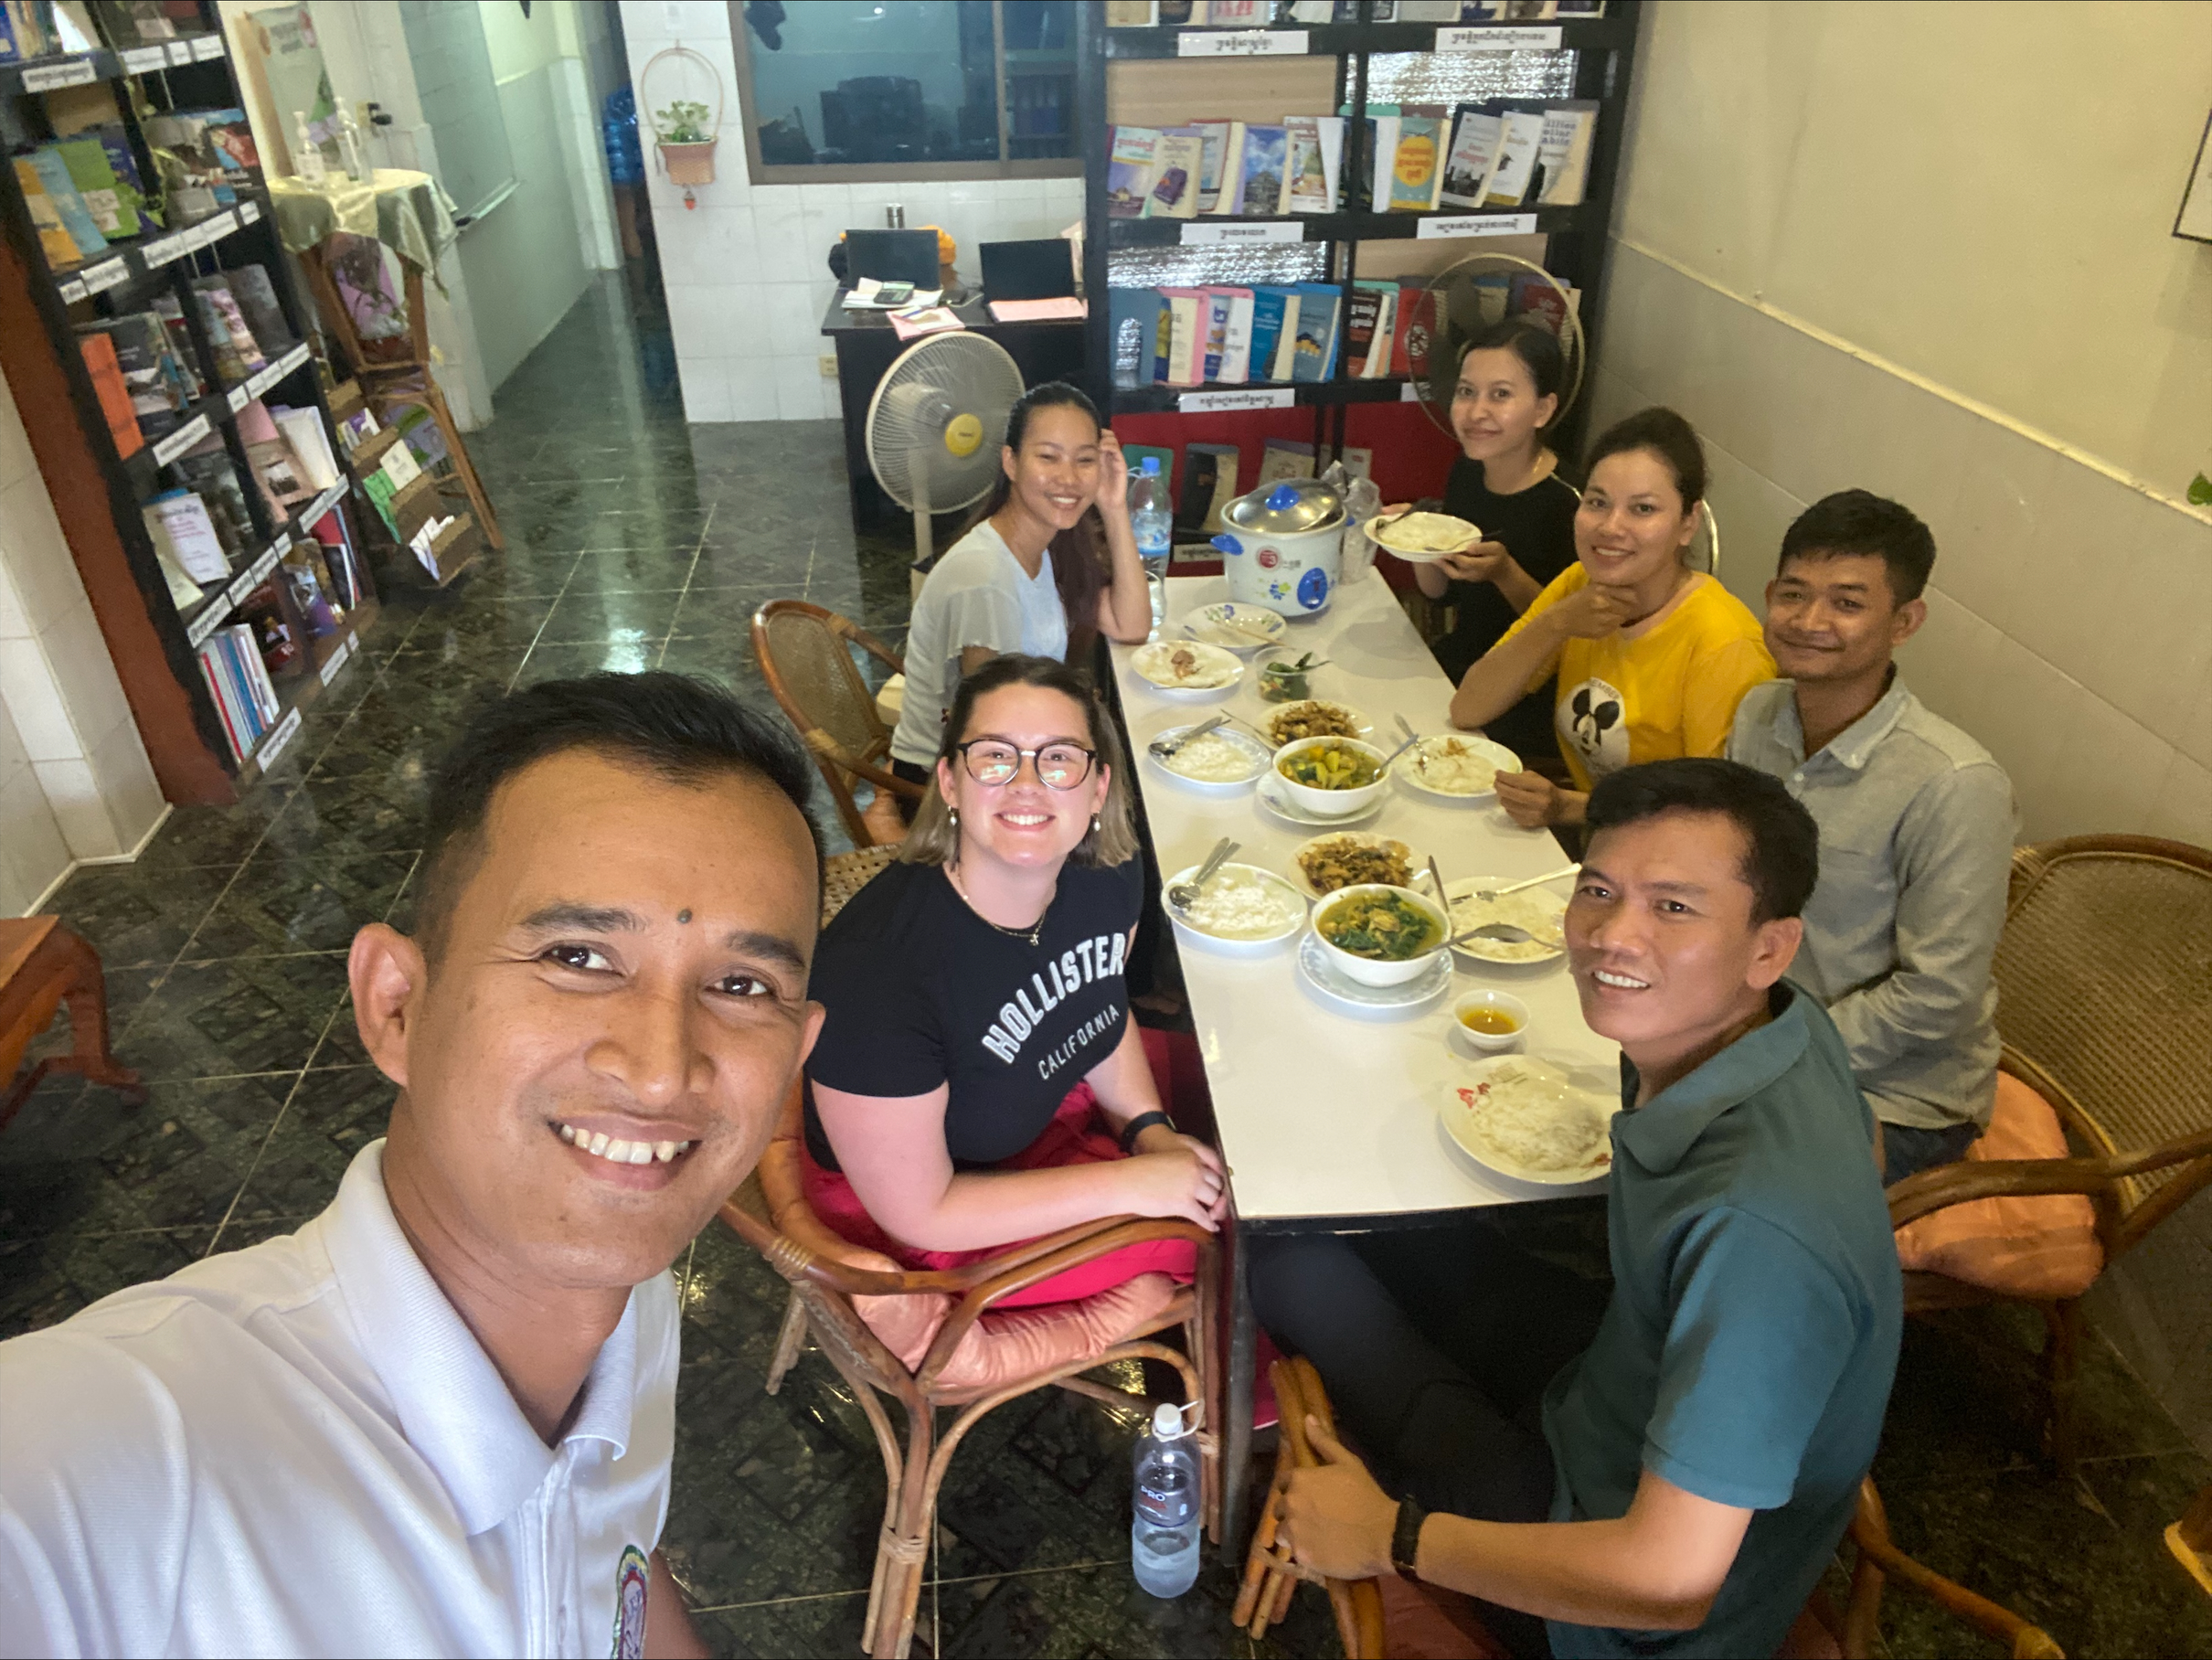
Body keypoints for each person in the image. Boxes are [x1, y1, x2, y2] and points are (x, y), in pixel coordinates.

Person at [0, 674, 830, 1658]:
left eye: (742, 985)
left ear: (797, 1053)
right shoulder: (113, 1459)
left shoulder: (632, 1312)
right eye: (576, 957)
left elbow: (612, 1563)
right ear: (395, 1005)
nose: (660, 1071)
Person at [1257, 759, 1902, 1659]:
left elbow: (1667, 1584)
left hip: (1614, 1615)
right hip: (1613, 1392)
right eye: (1597, 890)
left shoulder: (1759, 1239)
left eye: (1672, 907)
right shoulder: (1785, 1025)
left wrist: (1388, 1536)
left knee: (1283, 1259)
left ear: (1770, 947)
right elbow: (1868, 1145)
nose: (1611, 936)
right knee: (1368, 1224)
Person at [806, 654, 1225, 1302]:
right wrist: (1135, 1183)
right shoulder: (876, 979)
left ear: (1098, 788)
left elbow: (1099, 1006)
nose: (1027, 784)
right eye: (996, 756)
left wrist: (1149, 1129)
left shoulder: (1107, 873)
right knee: (1216, 1240)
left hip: (1037, 1108)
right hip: (936, 1206)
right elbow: (921, 1213)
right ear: (950, 782)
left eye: (1058, 758)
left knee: (1235, 1098)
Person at [1728, 490, 2015, 1185]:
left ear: (1904, 622)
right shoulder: (1760, 712)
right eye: (1794, 594)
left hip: (1889, 1094)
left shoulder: (1954, 784)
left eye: (1847, 603)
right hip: (1750, 1027)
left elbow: (1938, 995)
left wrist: (1765, 1053)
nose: (1810, 621)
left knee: (1712, 1185)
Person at [1450, 408, 1776, 834]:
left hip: (1664, 856)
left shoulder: (1723, 644)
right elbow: (1468, 707)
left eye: (1642, 509)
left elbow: (1714, 819)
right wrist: (1557, 622)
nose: (1610, 527)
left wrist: (1571, 808)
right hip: (1599, 835)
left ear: (1688, 523)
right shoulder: (1580, 584)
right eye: (1597, 502)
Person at [887, 381, 1154, 813]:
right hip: (944, 790)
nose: (1069, 478)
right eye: (1048, 457)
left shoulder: (1045, 543)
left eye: (1085, 460)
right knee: (1133, 804)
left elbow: (1132, 625)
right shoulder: (985, 579)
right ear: (1010, 462)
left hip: (1009, 756)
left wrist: (1114, 506)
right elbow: (992, 736)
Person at [1397, 319, 1583, 769]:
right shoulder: (1467, 472)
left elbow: (1575, 638)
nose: (1476, 411)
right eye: (1466, 392)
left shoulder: (1573, 504)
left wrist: (1505, 573)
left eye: (1500, 394)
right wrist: (1416, 539)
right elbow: (1442, 594)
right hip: (1462, 665)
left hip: (1529, 699)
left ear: (1542, 409)